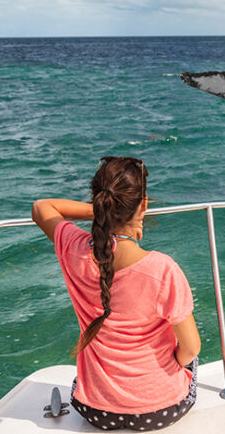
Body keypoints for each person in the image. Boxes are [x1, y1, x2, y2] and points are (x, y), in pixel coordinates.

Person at [32, 156, 201, 430]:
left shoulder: (73, 248)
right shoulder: (162, 269)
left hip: (94, 409)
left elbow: (41, 207)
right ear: (143, 206)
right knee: (188, 349)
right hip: (162, 409)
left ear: (99, 202)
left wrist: (101, 213)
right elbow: (191, 349)